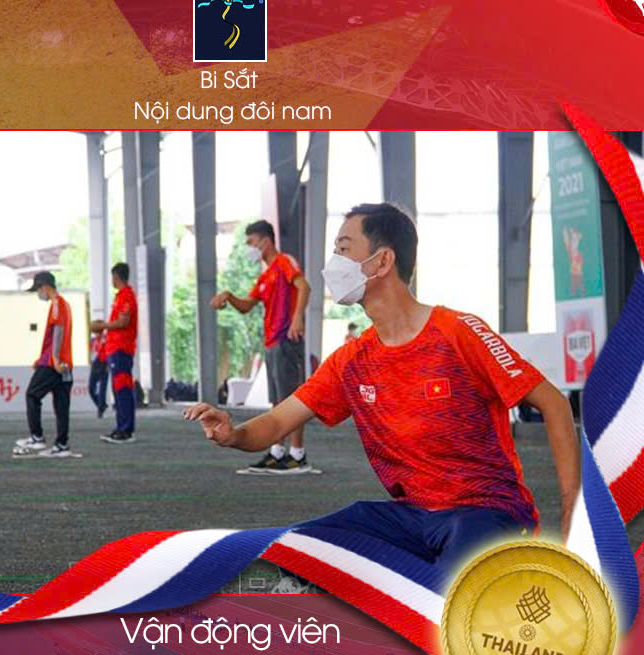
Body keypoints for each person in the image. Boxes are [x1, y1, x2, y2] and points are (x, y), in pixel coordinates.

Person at [186, 203, 581, 571]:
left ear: (382, 261)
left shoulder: (458, 332)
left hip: (484, 512)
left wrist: (572, 513)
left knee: (449, 599)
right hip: (409, 516)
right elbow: (277, 422)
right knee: (292, 554)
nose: (333, 263)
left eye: (344, 248)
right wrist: (233, 434)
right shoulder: (351, 359)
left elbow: (554, 403)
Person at [211, 220, 312, 474]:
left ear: (266, 241)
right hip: (271, 342)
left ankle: (297, 455)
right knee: (278, 401)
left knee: (292, 399)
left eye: (251, 242)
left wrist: (297, 318)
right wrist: (228, 296)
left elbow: (304, 286)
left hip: (286, 339)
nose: (249, 247)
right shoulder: (266, 276)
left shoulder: (284, 263)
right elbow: (247, 305)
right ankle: (277, 452)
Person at [12, 271, 75, 458]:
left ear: (45, 287)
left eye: (38, 289)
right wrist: (43, 359)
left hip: (53, 363)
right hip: (64, 363)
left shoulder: (56, 304)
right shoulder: (65, 304)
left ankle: (37, 437)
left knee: (32, 395)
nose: (38, 294)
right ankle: (62, 445)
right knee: (61, 405)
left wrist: (53, 358)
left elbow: (58, 330)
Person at [92, 263, 138, 444]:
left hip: (121, 349)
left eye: (112, 277)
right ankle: (121, 428)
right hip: (116, 349)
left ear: (116, 277)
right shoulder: (121, 296)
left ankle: (125, 430)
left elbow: (123, 322)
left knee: (122, 389)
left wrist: (102, 325)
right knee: (119, 389)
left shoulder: (126, 295)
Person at [88, 329, 109, 418]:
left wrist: (108, 364)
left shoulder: (106, 339)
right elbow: (91, 351)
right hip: (95, 363)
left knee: (102, 388)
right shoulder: (93, 340)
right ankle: (101, 405)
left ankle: (100, 409)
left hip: (104, 363)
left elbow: (109, 351)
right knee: (91, 388)